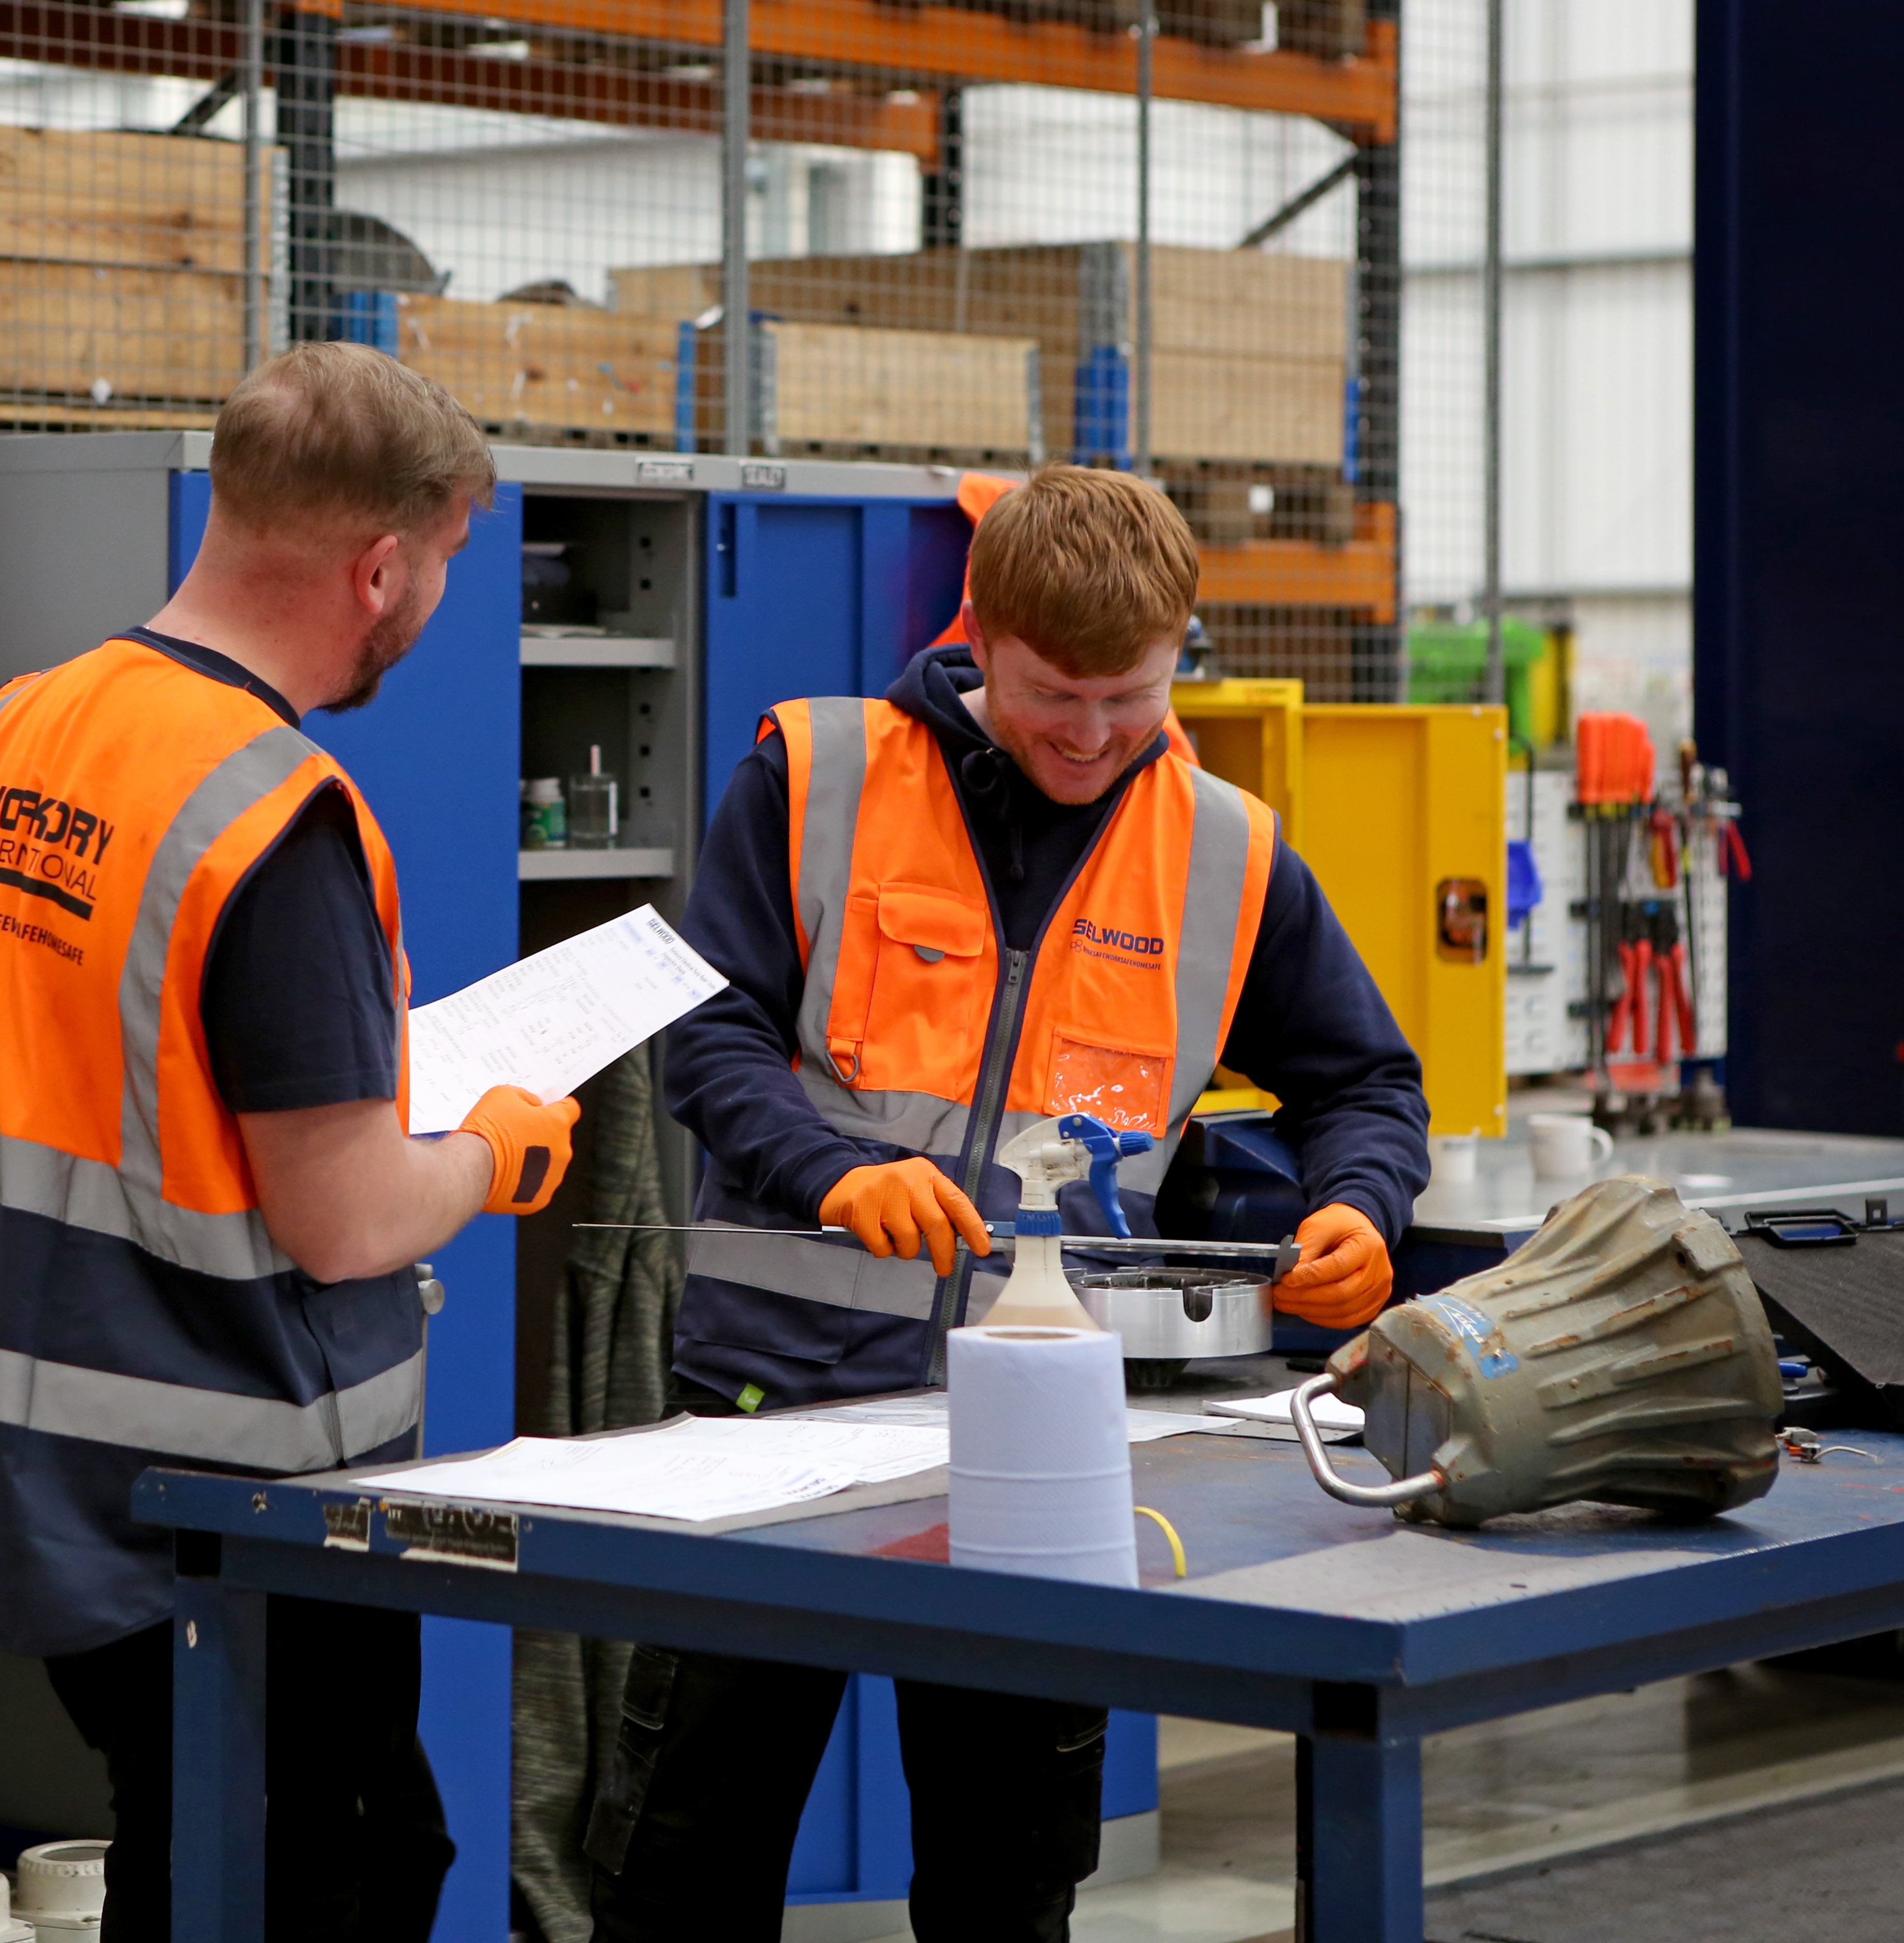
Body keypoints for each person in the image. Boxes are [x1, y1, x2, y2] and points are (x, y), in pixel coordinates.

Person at [0, 341, 583, 1943]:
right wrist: (495, 1151)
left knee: (196, 1850)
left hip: (46, 1489)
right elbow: (341, 1219)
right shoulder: (273, 817)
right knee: (311, 1881)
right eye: (449, 569)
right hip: (254, 1513)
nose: (434, 607)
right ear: (382, 565)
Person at [586, 465, 1428, 1942]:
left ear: (1182, 649)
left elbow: (1365, 1082)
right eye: (1056, 696)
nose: (1094, 739)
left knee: (1007, 1887)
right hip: (766, 1419)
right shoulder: (819, 777)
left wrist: (1361, 1203)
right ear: (983, 637)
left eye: (1134, 697)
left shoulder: (1227, 850)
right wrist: (835, 1170)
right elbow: (705, 1033)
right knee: (688, 1866)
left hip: (1040, 1454)